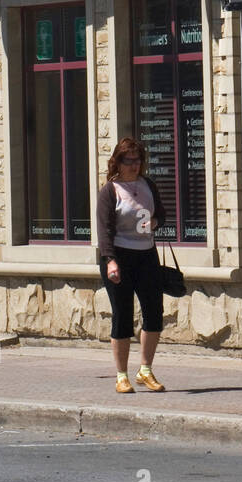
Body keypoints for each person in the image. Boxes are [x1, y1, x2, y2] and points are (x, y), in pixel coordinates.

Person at [97, 137, 167, 395]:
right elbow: (104, 230)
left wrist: (155, 223)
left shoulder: (147, 184)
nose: (134, 165)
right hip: (119, 257)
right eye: (129, 160)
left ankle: (145, 370)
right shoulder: (110, 191)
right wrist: (110, 260)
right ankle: (121, 375)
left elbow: (161, 212)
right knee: (123, 315)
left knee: (154, 312)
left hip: (146, 254)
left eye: (138, 160)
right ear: (118, 161)